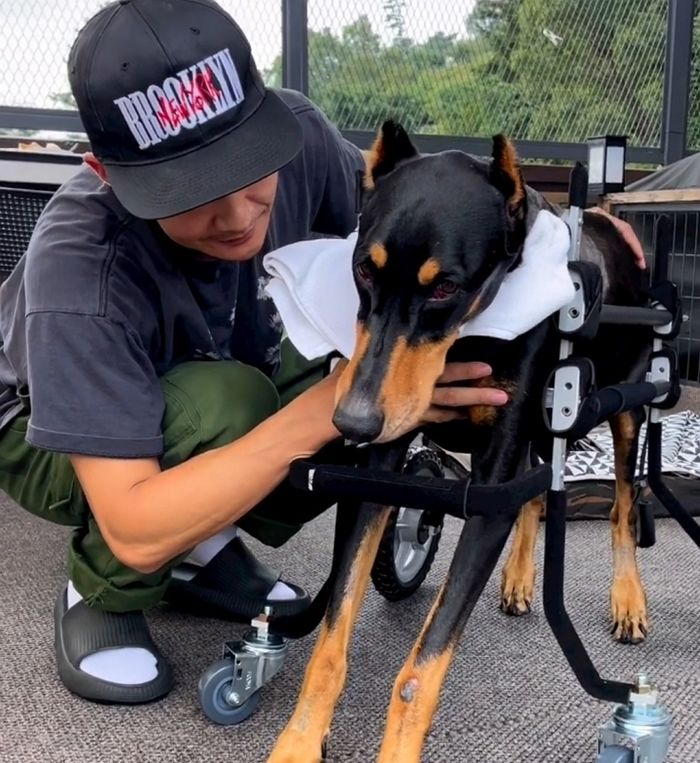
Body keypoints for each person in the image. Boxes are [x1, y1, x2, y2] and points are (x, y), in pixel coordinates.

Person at [0, 0, 511, 705]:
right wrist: (327, 409)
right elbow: (137, 526)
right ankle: (101, 590)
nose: (239, 217)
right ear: (106, 172)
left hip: (230, 356)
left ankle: (204, 550)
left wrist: (560, 235)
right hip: (36, 427)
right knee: (232, 406)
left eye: (247, 167)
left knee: (350, 364)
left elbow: (430, 212)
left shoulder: (301, 136)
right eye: (191, 190)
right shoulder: (79, 267)